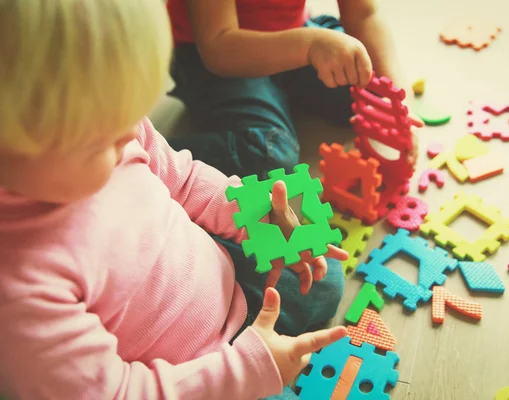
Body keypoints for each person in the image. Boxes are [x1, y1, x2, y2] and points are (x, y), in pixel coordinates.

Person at [0, 1, 349, 399]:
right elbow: (119, 393)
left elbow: (183, 179)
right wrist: (243, 371)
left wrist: (258, 216)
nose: (132, 134)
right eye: (106, 138)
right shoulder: (21, 296)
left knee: (322, 276)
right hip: (189, 371)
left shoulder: (109, 126)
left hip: (224, 278)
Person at [166, 0, 420, 179]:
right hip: (216, 57)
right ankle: (149, 154)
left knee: (367, 82)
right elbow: (218, 47)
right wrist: (311, 47)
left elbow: (364, 14)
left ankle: (288, 83)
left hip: (294, 36)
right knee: (271, 153)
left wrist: (397, 99)